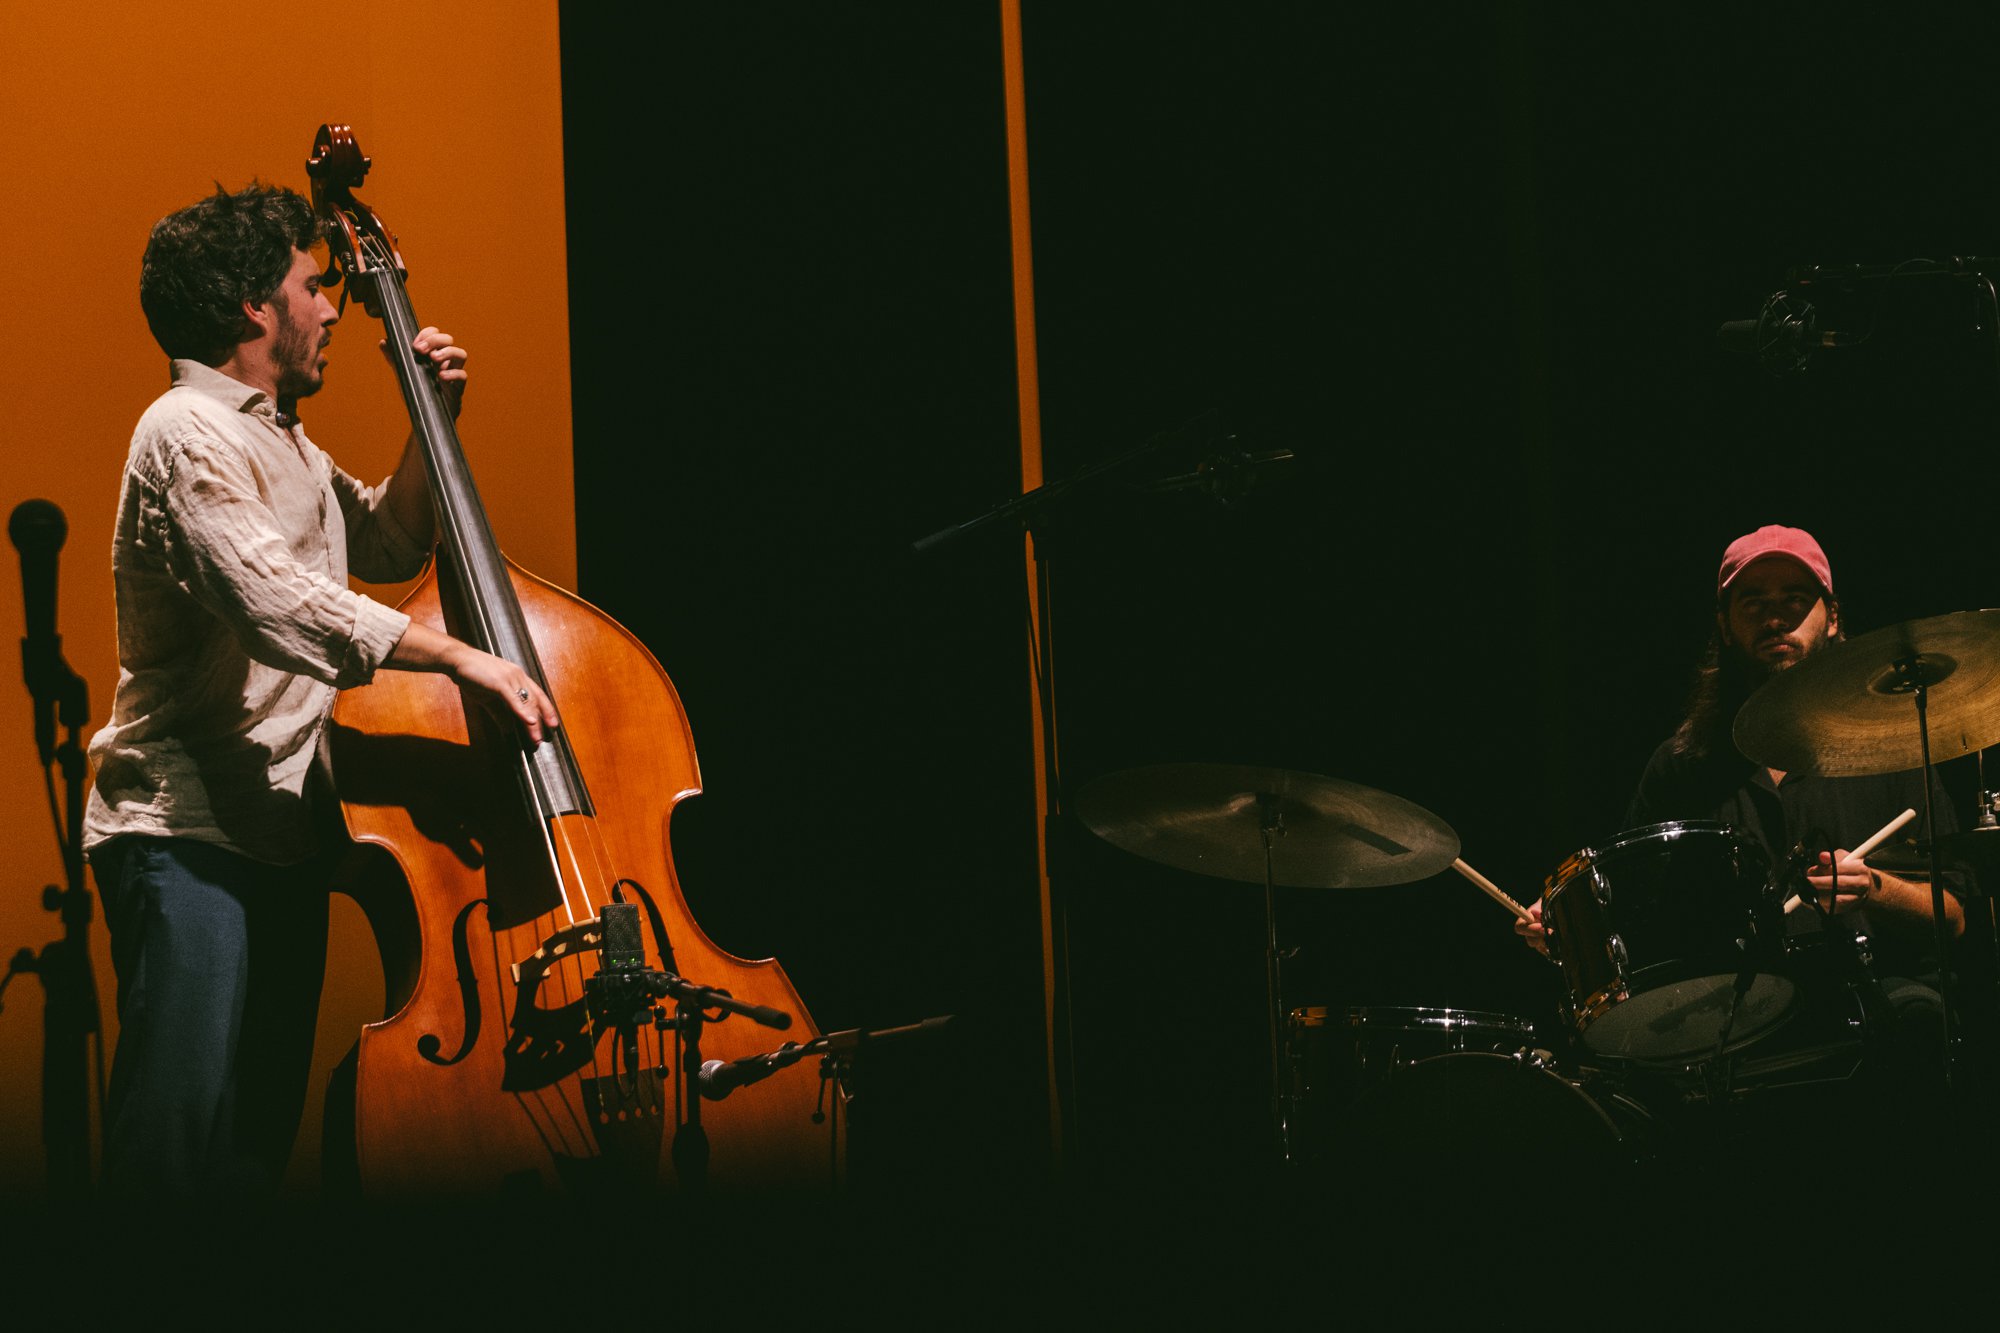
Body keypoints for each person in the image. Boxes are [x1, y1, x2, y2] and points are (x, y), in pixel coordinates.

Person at [82, 182, 560, 1197]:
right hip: (186, 836)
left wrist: (436, 418)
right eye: (313, 284)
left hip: (286, 836)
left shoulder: (286, 439)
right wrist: (466, 659)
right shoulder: (184, 430)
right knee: (172, 1157)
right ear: (256, 306)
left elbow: (386, 539)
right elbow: (278, 601)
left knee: (252, 1157)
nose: (334, 305)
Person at [1517, 525, 1964, 1091]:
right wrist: (1570, 925)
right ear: (1725, 625)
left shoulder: (1892, 746)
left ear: (1831, 616)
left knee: (1918, 1023)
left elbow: (1955, 915)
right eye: (1753, 602)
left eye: (1794, 601)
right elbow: (1630, 904)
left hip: (1876, 996)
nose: (1774, 617)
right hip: (1736, 1014)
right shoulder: (1683, 764)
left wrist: (1874, 886)